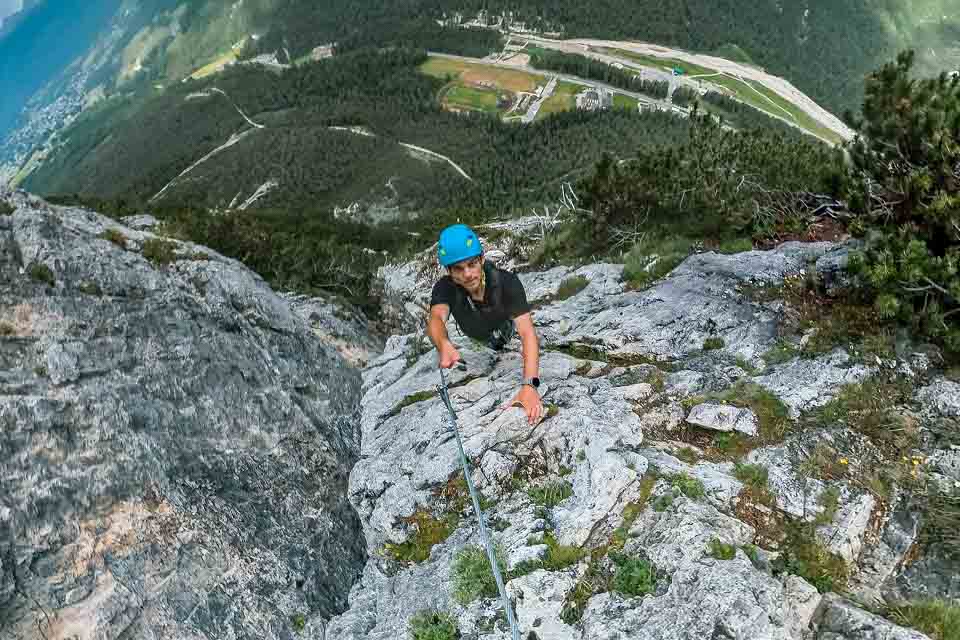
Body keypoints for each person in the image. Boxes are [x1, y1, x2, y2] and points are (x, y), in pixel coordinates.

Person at [426, 224, 544, 425]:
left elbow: (527, 333)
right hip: (476, 338)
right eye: (458, 269)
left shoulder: (507, 282)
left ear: (481, 259)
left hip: (506, 330)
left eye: (472, 264)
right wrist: (443, 343)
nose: (467, 274)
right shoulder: (445, 288)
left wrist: (530, 386)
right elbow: (436, 318)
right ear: (449, 271)